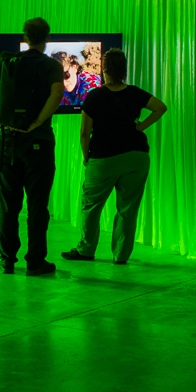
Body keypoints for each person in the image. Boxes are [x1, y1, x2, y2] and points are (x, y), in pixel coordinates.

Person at [61, 48, 166, 265]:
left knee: (91, 206)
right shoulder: (135, 93)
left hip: (104, 158)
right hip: (136, 156)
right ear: (124, 70)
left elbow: (84, 133)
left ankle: (86, 250)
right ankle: (120, 255)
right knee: (128, 208)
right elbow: (160, 108)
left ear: (105, 70)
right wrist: (141, 127)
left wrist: (86, 157)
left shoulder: (94, 96)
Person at [0, 17, 64, 275]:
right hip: (39, 143)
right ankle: (35, 262)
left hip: (9, 141)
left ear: (25, 38)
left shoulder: (7, 61)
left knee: (9, 204)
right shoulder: (51, 65)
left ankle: (7, 259)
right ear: (47, 38)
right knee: (37, 205)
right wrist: (37, 122)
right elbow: (57, 94)